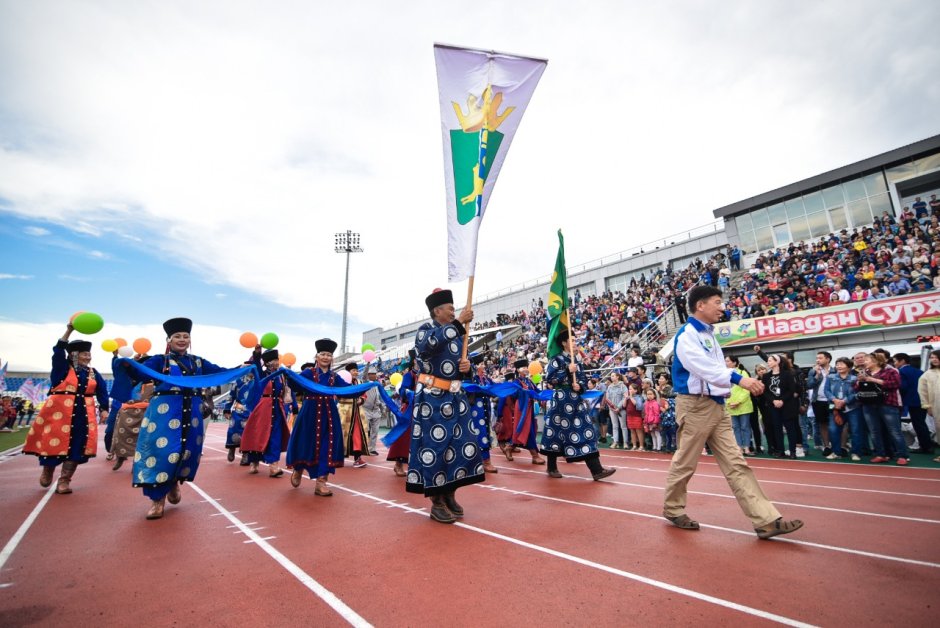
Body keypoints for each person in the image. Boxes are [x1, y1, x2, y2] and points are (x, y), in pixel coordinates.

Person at [663, 285, 803, 539]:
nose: (722, 307)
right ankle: (673, 508)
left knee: (737, 463)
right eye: (717, 302)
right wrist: (741, 379)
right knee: (685, 463)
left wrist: (732, 384)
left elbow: (713, 371)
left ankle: (766, 520)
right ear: (700, 305)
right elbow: (704, 368)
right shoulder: (686, 335)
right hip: (695, 406)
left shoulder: (710, 336)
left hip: (717, 405)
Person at [125, 317, 228, 520]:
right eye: (177, 336)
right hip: (164, 414)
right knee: (162, 452)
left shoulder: (198, 362)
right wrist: (130, 363)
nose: (182, 339)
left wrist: (243, 368)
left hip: (192, 413)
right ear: (168, 340)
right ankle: (157, 501)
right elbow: (140, 374)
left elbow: (220, 372)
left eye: (186, 336)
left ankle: (173, 483)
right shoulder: (159, 360)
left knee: (186, 451)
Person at [406, 288, 485, 524]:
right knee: (436, 447)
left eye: (454, 308)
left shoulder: (459, 337)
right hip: (433, 399)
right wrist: (459, 323)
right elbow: (428, 347)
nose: (453, 311)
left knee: (462, 445)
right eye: (450, 308)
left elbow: (463, 368)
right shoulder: (425, 331)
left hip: (456, 398)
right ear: (436, 311)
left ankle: (450, 492)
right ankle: (436, 501)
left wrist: (467, 367)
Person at [23, 322, 110, 494]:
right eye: (84, 354)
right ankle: (48, 470)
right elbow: (58, 350)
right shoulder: (61, 368)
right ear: (73, 355)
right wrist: (68, 331)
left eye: (89, 354)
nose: (88, 357)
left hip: (84, 413)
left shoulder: (93, 372)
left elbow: (102, 391)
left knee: (78, 444)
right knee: (53, 440)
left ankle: (64, 480)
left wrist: (104, 409)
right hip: (59, 412)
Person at [538, 329, 616, 481]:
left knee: (585, 430)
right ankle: (551, 466)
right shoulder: (556, 359)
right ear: (564, 343)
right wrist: (567, 370)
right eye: (572, 340)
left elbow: (582, 380)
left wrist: (580, 387)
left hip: (576, 401)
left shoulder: (577, 360)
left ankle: (597, 470)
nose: (575, 343)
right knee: (556, 433)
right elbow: (550, 379)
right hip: (560, 401)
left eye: (575, 340)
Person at [286, 339, 348, 495]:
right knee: (305, 443)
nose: (326, 357)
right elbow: (296, 385)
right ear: (316, 356)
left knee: (328, 447)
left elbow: (347, 389)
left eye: (329, 355)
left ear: (332, 358)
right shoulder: (308, 373)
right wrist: (289, 375)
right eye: (323, 354)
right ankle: (298, 469)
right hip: (309, 413)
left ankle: (321, 482)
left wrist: (366, 386)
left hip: (329, 415)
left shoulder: (335, 377)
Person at [240, 349, 292, 477]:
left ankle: (274, 466)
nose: (276, 363)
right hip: (263, 408)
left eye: (277, 360)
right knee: (258, 435)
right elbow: (257, 365)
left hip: (278, 409)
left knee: (276, 437)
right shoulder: (261, 374)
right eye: (273, 361)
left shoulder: (281, 376)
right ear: (267, 363)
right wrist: (257, 355)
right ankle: (254, 462)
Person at [857, 353, 909, 465]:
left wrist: (872, 380)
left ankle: (902, 455)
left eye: (866, 360)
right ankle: (881, 454)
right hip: (868, 404)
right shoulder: (865, 372)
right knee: (874, 431)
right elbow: (856, 388)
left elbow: (895, 384)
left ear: (876, 361)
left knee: (894, 431)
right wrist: (859, 381)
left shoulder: (890, 371)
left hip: (887, 404)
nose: (864, 362)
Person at [761, 354, 802, 459]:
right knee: (777, 428)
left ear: (777, 362)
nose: (768, 362)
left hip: (787, 405)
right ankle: (780, 451)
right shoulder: (766, 376)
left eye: (770, 360)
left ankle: (792, 451)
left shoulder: (788, 374)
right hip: (773, 406)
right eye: (768, 360)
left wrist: (782, 400)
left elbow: (791, 389)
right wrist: (773, 400)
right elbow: (765, 391)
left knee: (790, 428)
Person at [386, 350, 417, 477]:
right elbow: (403, 391)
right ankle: (398, 463)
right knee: (403, 436)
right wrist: (409, 393)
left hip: (425, 409)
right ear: (415, 360)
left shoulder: (428, 375)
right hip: (410, 408)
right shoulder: (409, 375)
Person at [894, 353, 933, 455]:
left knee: (918, 424)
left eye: (895, 361)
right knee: (921, 424)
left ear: (902, 361)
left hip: (912, 400)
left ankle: (925, 447)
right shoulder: (919, 371)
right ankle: (927, 445)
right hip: (923, 399)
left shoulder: (901, 371)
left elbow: (903, 387)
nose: (894, 364)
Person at [824, 358, 862, 461]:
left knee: (855, 431)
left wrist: (844, 401)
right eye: (837, 364)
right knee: (833, 430)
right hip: (835, 408)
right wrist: (834, 399)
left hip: (852, 408)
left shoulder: (855, 379)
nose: (838, 366)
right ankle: (836, 452)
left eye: (841, 364)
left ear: (849, 367)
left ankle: (856, 453)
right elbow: (826, 390)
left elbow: (856, 393)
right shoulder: (830, 377)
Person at [511, 359, 546, 465]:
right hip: (522, 408)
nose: (526, 369)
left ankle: (509, 446)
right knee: (527, 429)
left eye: (526, 367)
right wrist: (524, 392)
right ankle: (534, 455)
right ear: (518, 370)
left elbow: (537, 391)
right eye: (523, 367)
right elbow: (513, 395)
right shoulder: (516, 382)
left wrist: (546, 394)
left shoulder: (529, 381)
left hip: (530, 408)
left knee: (527, 429)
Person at [337, 362, 369, 468]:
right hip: (345, 411)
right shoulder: (342, 382)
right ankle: (337, 457)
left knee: (358, 434)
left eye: (356, 370)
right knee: (341, 433)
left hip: (357, 413)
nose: (355, 372)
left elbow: (364, 394)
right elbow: (337, 394)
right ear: (348, 372)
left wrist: (362, 400)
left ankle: (357, 458)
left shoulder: (359, 382)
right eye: (353, 370)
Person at [806, 351, 836, 455]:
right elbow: (809, 385)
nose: (817, 360)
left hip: (832, 401)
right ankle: (826, 446)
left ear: (827, 359)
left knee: (835, 423)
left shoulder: (835, 370)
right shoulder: (813, 371)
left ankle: (838, 445)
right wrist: (817, 375)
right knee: (822, 424)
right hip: (817, 401)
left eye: (820, 358)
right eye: (817, 358)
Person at [725, 356, 754, 456]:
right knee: (735, 427)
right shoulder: (724, 374)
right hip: (730, 406)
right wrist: (728, 402)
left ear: (734, 363)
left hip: (743, 406)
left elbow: (746, 389)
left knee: (745, 427)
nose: (726, 363)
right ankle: (739, 448)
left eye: (728, 361)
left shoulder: (742, 373)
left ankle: (746, 447)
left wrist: (738, 402)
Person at [917, 349, 940, 463]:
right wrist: (927, 406)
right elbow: (923, 391)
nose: (934, 359)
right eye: (932, 357)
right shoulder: (927, 374)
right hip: (936, 406)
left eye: (936, 357)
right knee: (939, 429)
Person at [361, 364, 384, 456]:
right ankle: (364, 448)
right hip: (366, 409)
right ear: (368, 375)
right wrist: (368, 363)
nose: (373, 375)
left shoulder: (377, 385)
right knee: (365, 430)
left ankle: (372, 448)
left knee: (375, 430)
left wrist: (382, 408)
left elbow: (379, 398)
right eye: (371, 374)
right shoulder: (366, 383)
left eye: (374, 374)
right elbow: (364, 374)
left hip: (376, 410)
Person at [604, 372, 628, 449]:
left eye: (613, 376)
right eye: (611, 376)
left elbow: (625, 397)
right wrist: (612, 408)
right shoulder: (610, 387)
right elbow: (607, 398)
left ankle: (625, 442)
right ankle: (615, 442)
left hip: (621, 409)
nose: (612, 377)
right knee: (615, 426)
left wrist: (618, 407)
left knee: (623, 426)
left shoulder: (623, 386)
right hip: (612, 410)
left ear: (617, 377)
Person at [625, 382, 645, 451]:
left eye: (630, 389)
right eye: (629, 389)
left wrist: (630, 397)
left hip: (636, 416)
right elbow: (624, 406)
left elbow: (638, 406)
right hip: (629, 416)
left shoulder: (638, 397)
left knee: (639, 431)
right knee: (632, 431)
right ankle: (634, 445)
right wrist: (625, 398)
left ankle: (641, 446)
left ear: (635, 390)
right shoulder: (628, 398)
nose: (629, 390)